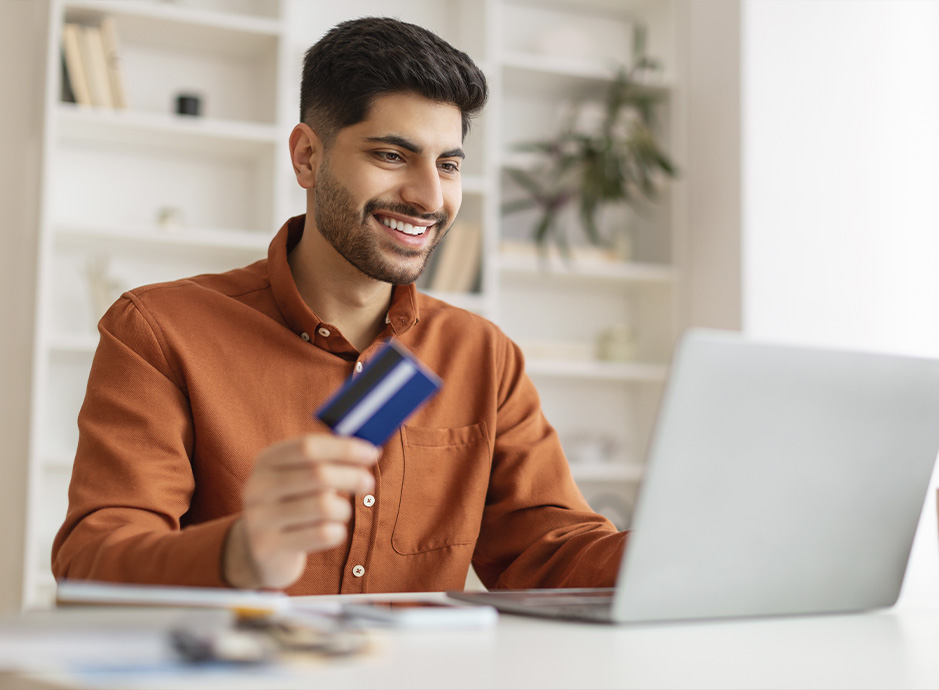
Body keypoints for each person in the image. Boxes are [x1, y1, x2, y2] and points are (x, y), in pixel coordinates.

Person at [52, 16, 626, 595]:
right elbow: (93, 562)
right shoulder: (159, 330)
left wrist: (689, 550)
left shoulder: (483, 354)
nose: (430, 197)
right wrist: (239, 553)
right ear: (307, 157)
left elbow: (550, 554)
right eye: (391, 155)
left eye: (448, 165)